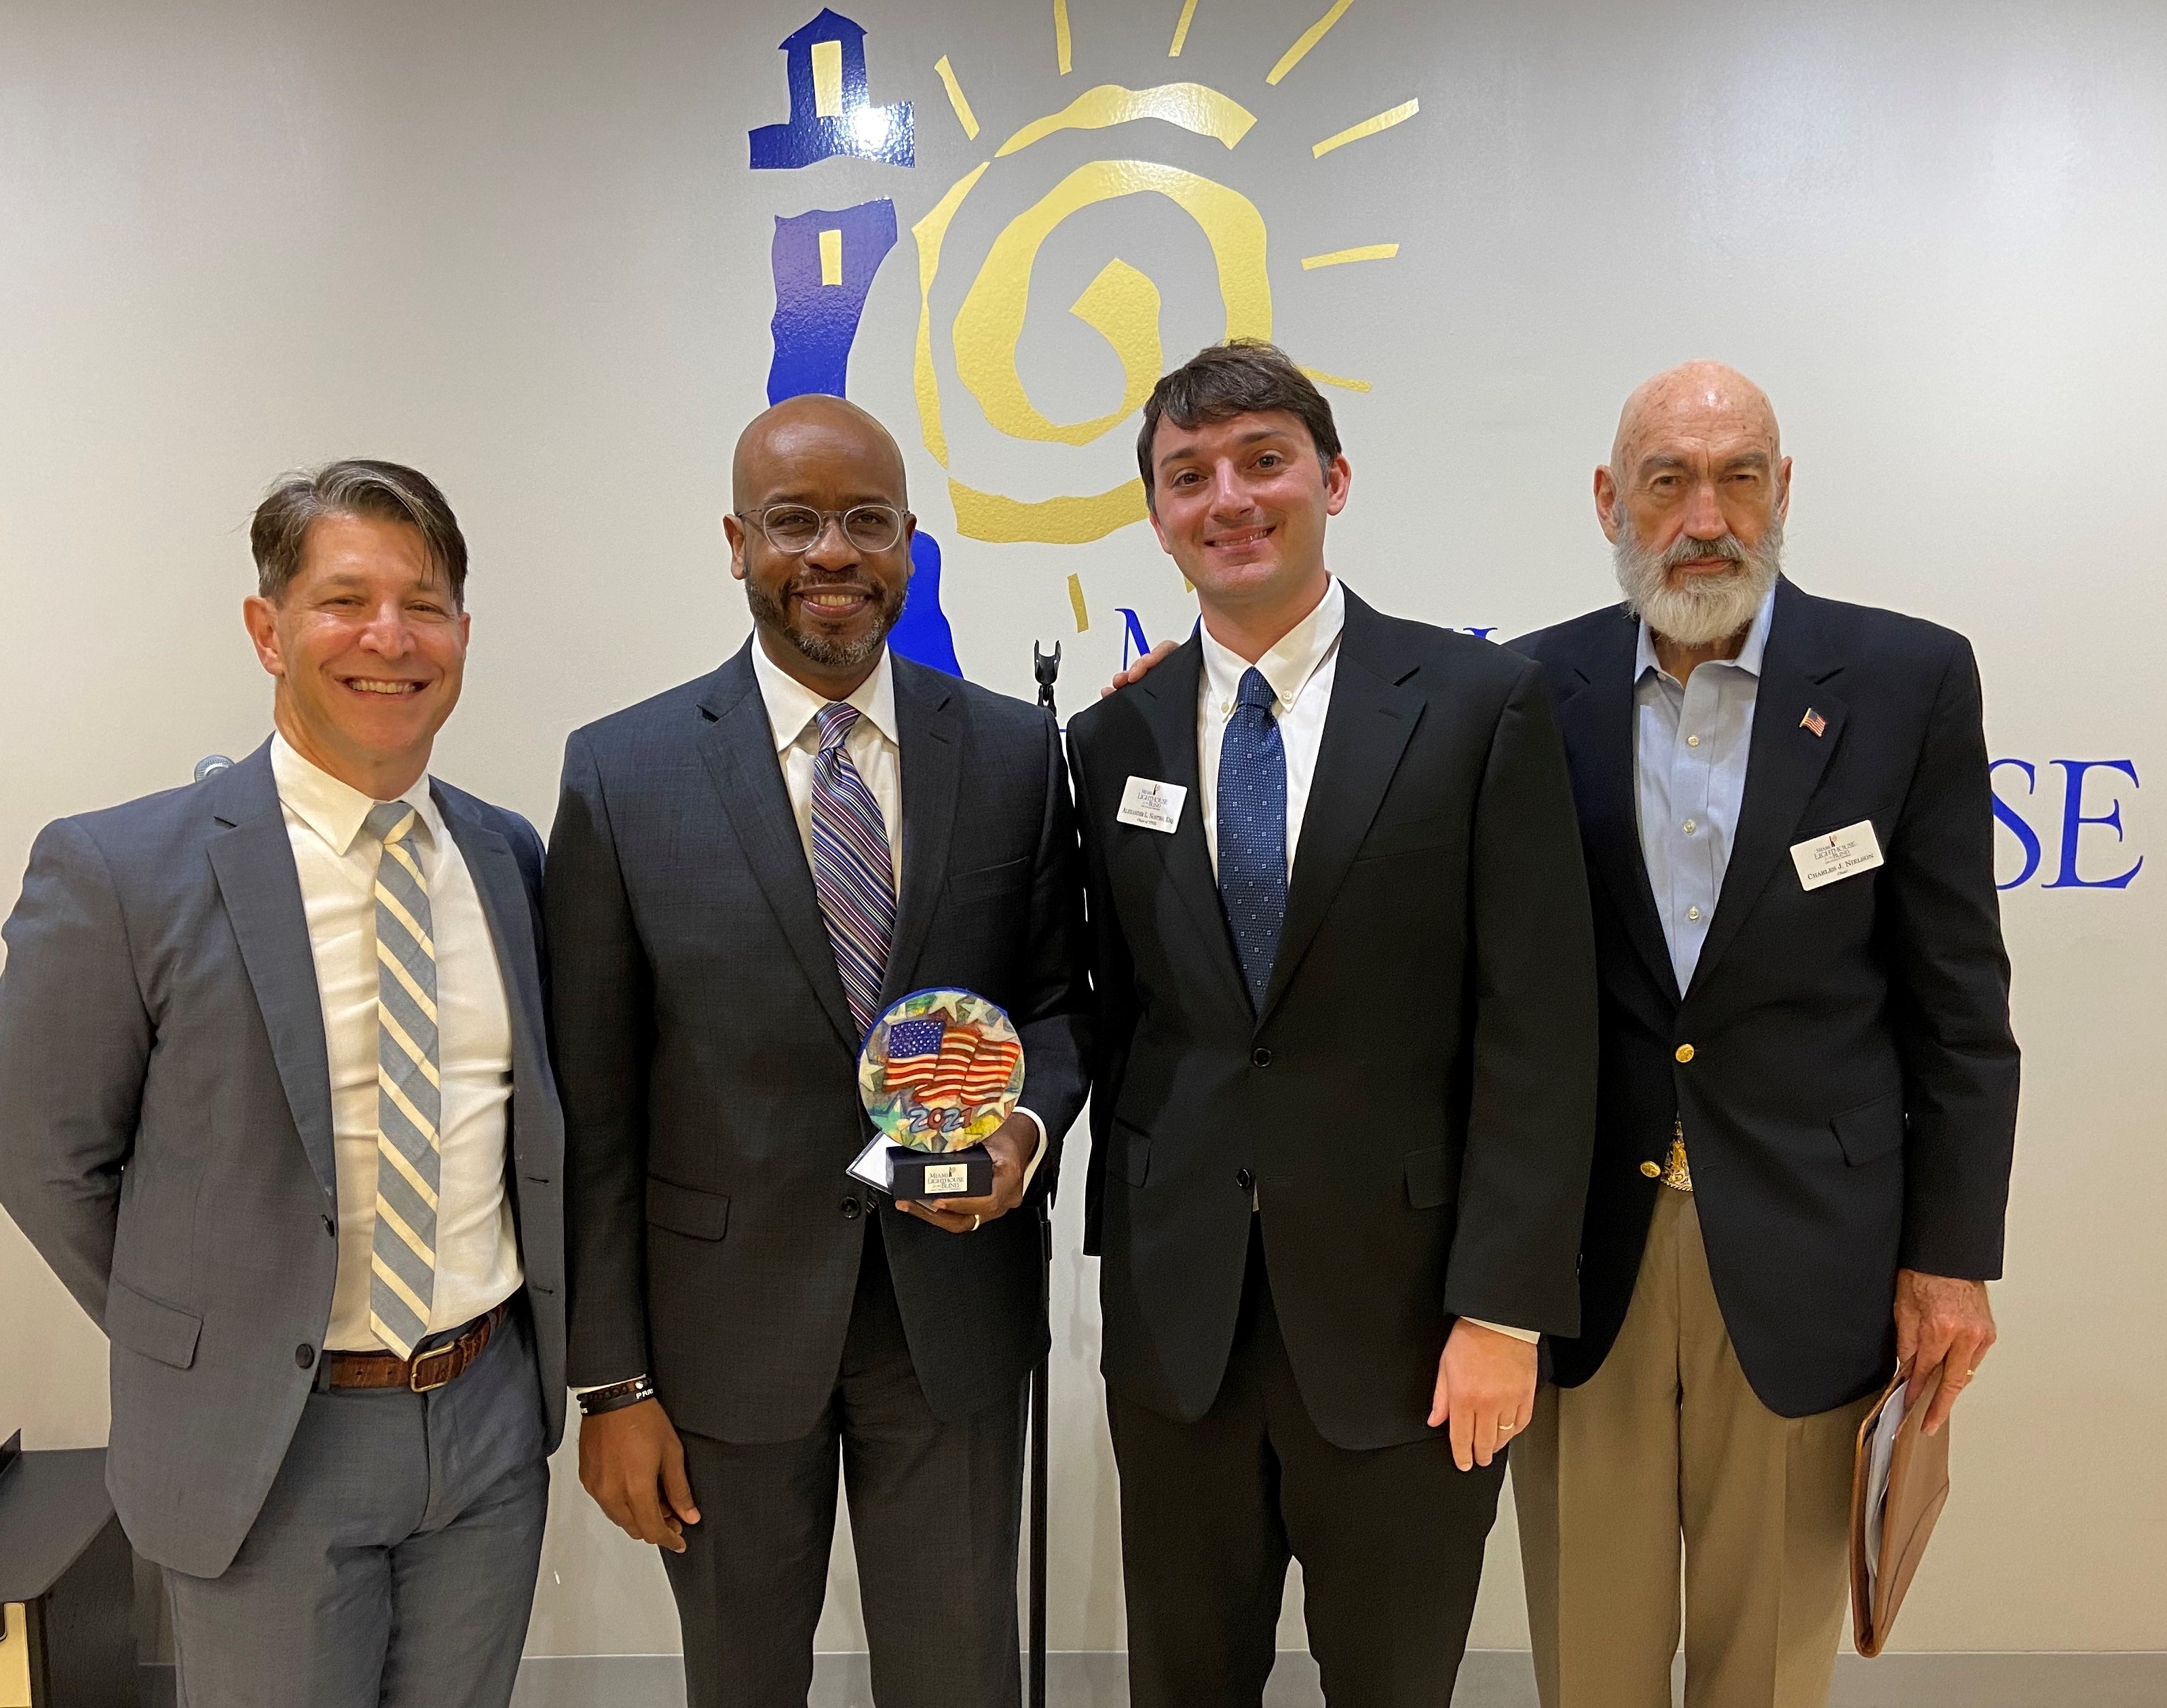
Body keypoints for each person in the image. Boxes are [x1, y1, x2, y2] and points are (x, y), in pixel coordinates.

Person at [1068, 340, 1599, 1707]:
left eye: (1263, 460)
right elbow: (1120, 1015)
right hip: (1180, 1328)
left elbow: (1537, 1030)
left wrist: (1503, 1307)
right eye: (1188, 475)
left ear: (1333, 480)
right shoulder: (1107, 744)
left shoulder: (1479, 707)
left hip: (1411, 1324)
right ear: (1155, 515)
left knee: (1392, 1683)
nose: (1227, 498)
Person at [547, 394, 1089, 1708]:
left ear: (912, 542)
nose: (831, 551)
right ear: (736, 541)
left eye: (866, 519)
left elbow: (1060, 1003)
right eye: (793, 520)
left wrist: (1021, 1124)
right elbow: (594, 1108)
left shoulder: (1013, 752)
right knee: (740, 1678)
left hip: (949, 1320)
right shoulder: (623, 773)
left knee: (958, 1676)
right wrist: (609, 1380)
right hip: (717, 1338)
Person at [0, 461, 565, 1708]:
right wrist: (207, 1332)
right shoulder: (119, 870)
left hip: (484, 1426)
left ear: (463, 635)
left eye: (424, 603)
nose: (389, 637)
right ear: (267, 629)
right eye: (344, 598)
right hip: (268, 1445)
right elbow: (44, 1157)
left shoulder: (508, 855)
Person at [1507, 362, 2019, 1708]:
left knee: (1771, 1667)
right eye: (1667, 479)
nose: (1706, 515)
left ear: (1783, 491)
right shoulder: (1517, 692)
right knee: (1590, 1658)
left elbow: (1958, 1003)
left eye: (1740, 475)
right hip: (1583, 1264)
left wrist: (1951, 1257)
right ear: (1609, 501)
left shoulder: (1906, 680)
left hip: (1812, 1256)